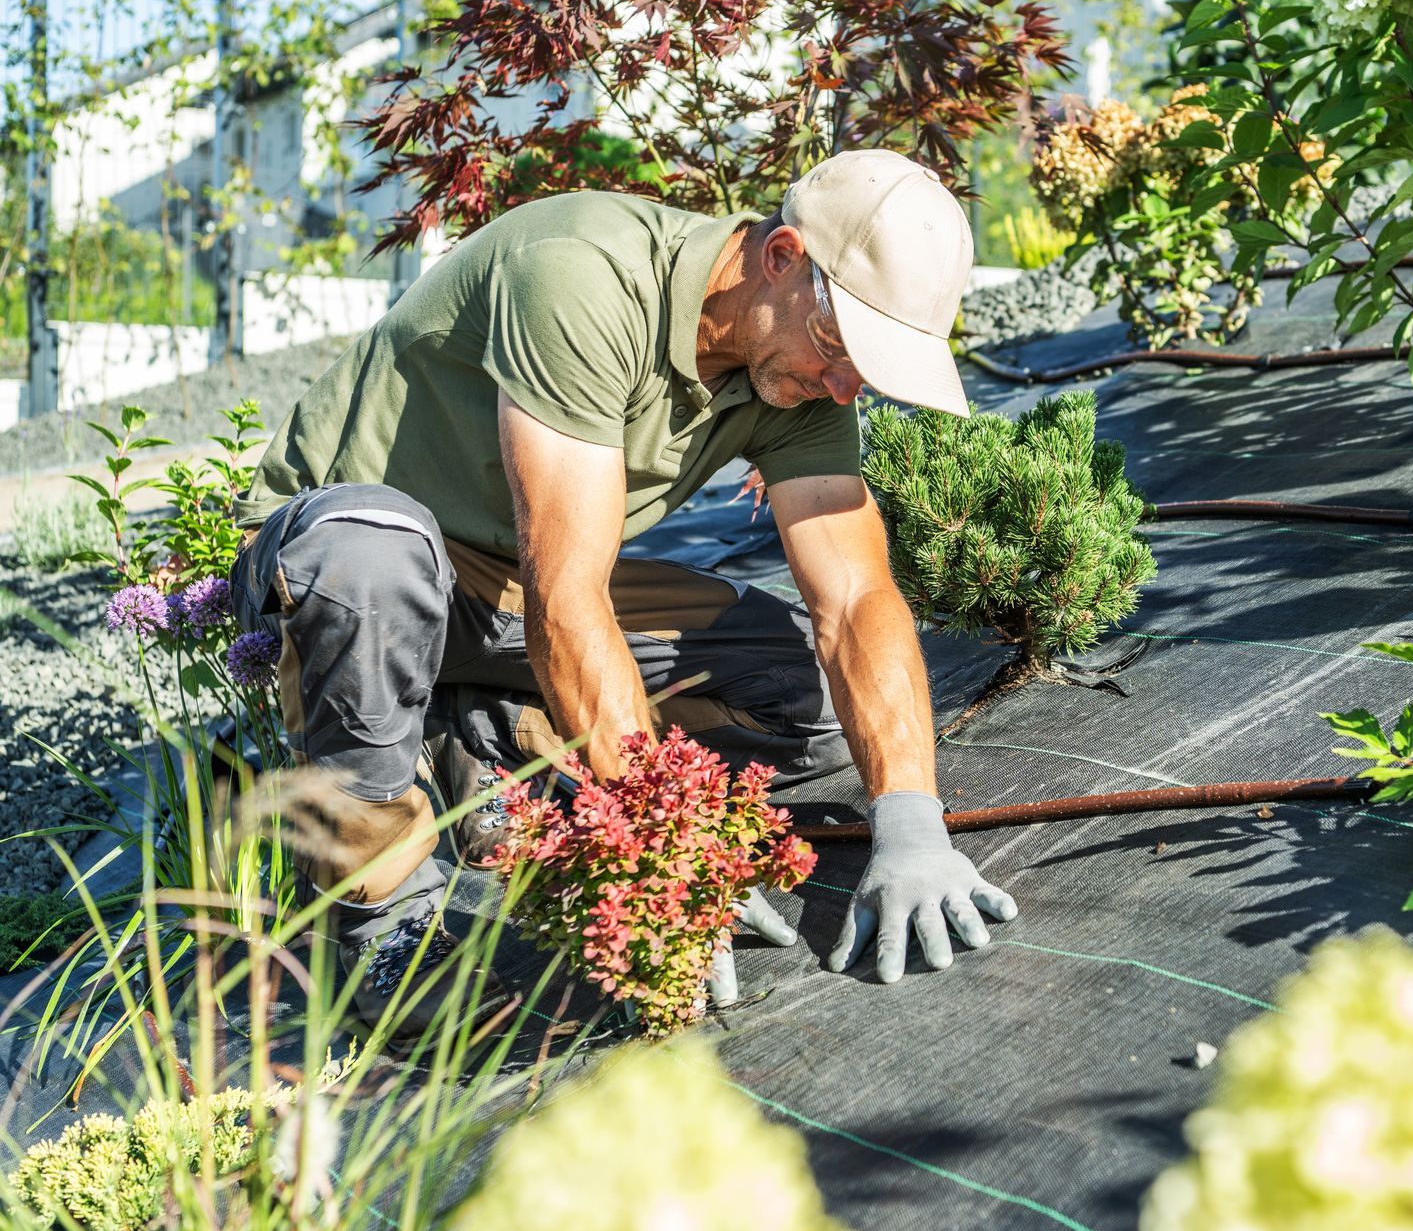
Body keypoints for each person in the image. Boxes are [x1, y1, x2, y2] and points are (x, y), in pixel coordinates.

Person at [231, 150, 1018, 1034]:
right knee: (375, 560)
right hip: (348, 566)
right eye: (843, 347)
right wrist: (668, 852)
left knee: (809, 703)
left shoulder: (804, 379)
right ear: (784, 257)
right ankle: (382, 918)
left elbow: (856, 598)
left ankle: (474, 734)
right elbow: (566, 601)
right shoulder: (582, 276)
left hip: (508, 589)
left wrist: (910, 820)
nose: (846, 385)